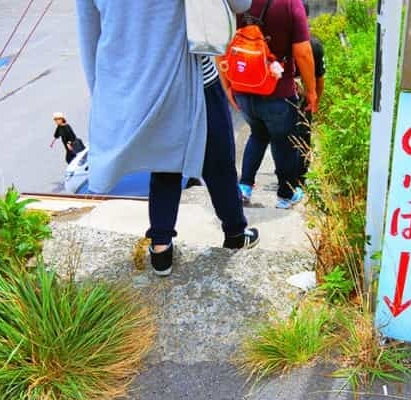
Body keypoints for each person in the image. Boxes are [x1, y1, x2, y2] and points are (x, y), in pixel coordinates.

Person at [76, 0, 258, 277]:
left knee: (164, 162)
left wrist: (104, 96)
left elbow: (90, 36)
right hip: (193, 77)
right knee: (219, 162)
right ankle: (235, 233)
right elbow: (241, 3)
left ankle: (161, 247)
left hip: (138, 84)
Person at [221, 0, 318, 209]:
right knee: (283, 142)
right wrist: (311, 91)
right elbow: (303, 52)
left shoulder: (237, 2)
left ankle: (244, 188)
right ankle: (286, 195)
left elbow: (221, 43)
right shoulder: (291, 4)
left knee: (257, 134)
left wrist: (227, 84)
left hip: (244, 87)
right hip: (278, 90)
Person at [296, 0, 325, 185]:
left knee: (279, 138)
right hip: (305, 97)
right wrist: (315, 99)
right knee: (303, 134)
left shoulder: (275, 39)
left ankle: (285, 175)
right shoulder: (314, 45)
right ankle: (300, 178)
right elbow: (320, 78)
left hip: (278, 96)